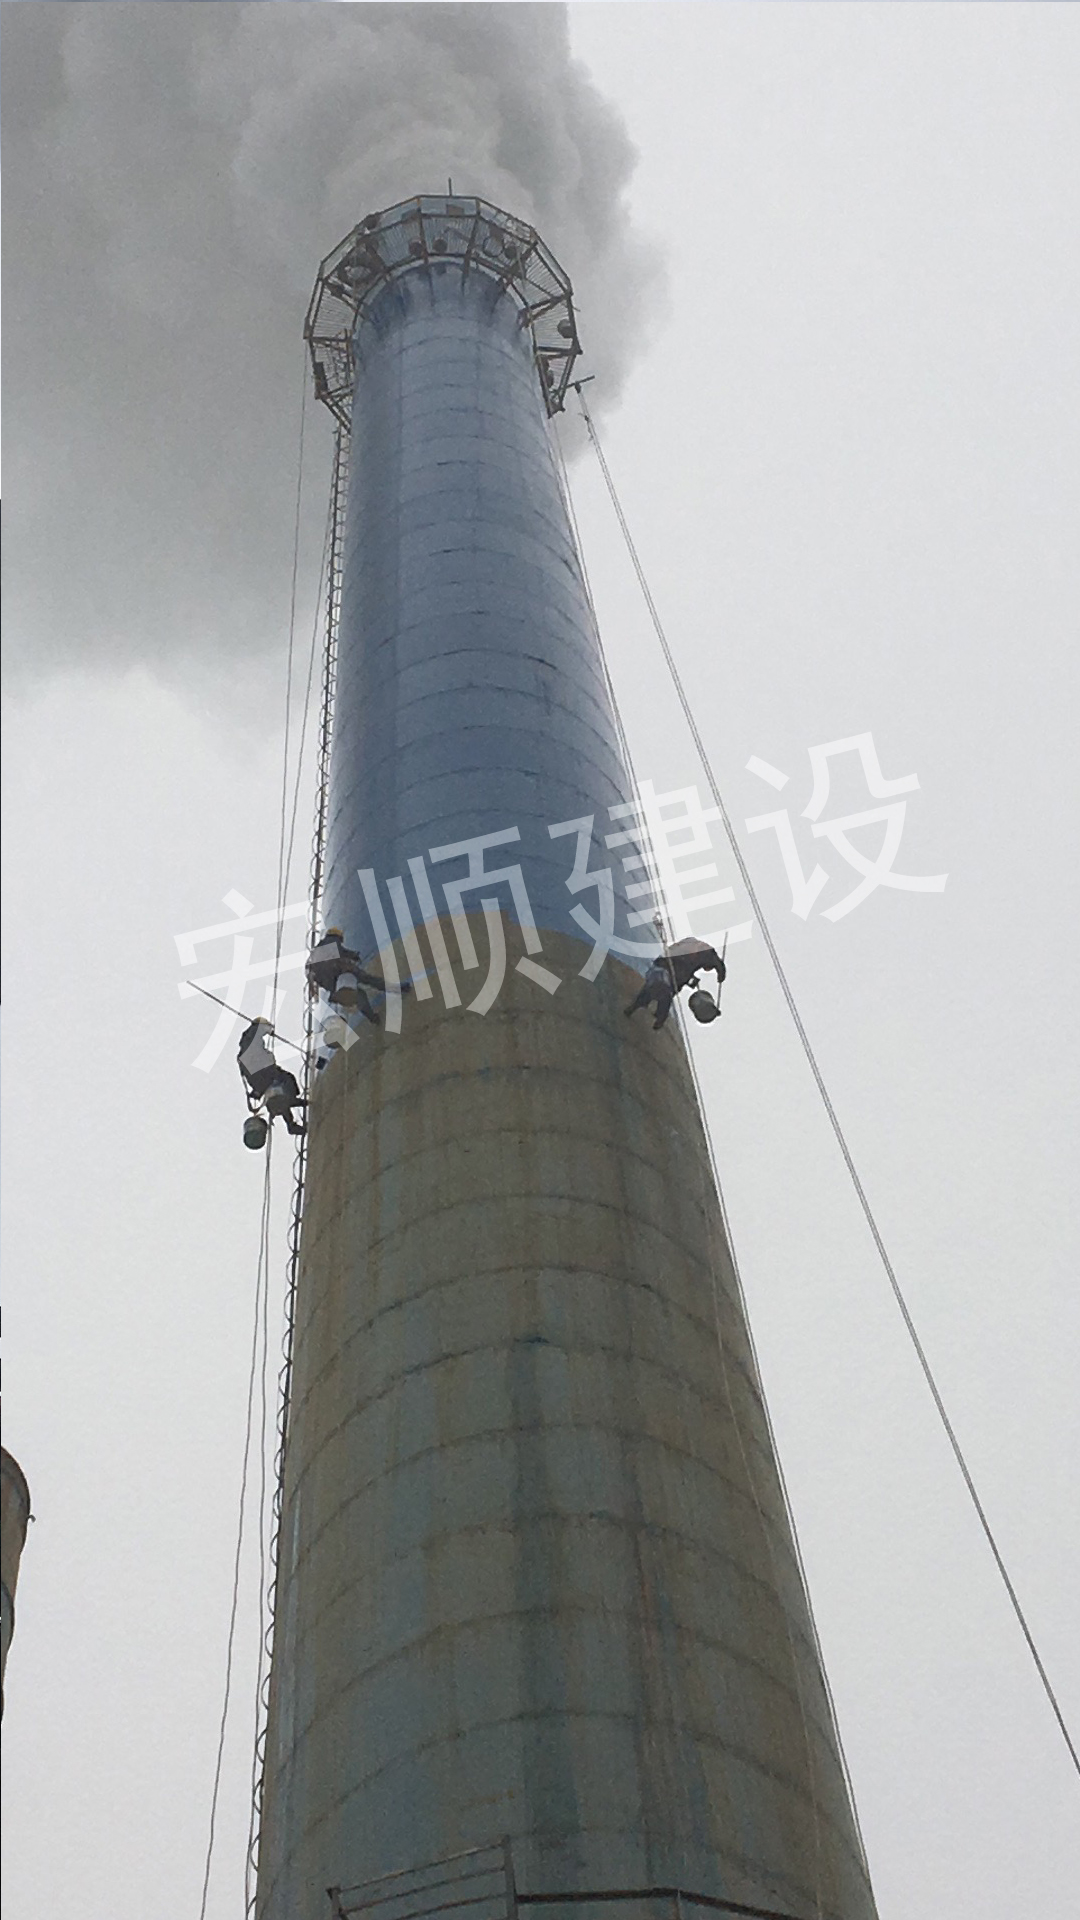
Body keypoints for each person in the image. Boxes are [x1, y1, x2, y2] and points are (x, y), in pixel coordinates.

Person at [305, 927, 400, 1029]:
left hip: (330, 982)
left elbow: (310, 971)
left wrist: (318, 986)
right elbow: (339, 952)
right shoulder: (331, 940)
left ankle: (372, 1018)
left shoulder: (316, 952)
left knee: (359, 994)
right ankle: (395, 988)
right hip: (341, 972)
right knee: (368, 979)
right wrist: (353, 955)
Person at [237, 1017, 305, 1136]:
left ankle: (290, 1119)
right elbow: (262, 1029)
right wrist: (269, 1030)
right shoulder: (253, 1032)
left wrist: (257, 1090)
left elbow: (248, 1072)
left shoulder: (245, 1043)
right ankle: (292, 1106)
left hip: (258, 1075)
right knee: (286, 1081)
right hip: (263, 1071)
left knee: (279, 1090)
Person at [624, 957, 676, 1031]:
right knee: (654, 993)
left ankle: (659, 1019)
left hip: (664, 983)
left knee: (662, 998)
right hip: (662, 980)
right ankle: (634, 1007)